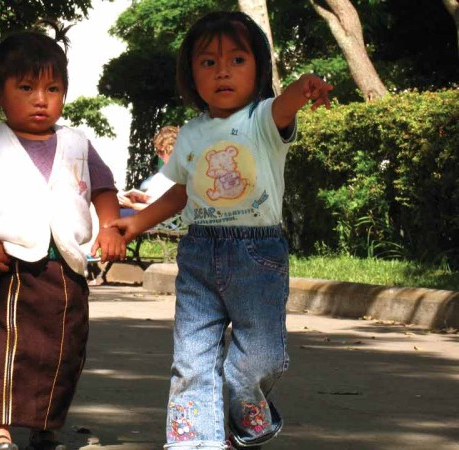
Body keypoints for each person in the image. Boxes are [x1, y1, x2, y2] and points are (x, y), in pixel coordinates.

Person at [108, 11, 332, 450]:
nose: (223, 70)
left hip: (258, 259)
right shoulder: (191, 133)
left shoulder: (263, 119)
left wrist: (304, 86)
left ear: (259, 69)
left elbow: (286, 103)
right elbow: (179, 193)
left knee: (257, 362)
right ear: (191, 75)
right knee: (191, 362)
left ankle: (243, 414)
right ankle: (196, 442)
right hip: (198, 258)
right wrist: (134, 223)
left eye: (237, 60)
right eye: (208, 62)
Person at [0, 24, 125, 450]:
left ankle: (45, 428)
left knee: (60, 353)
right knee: (1, 351)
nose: (41, 99)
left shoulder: (77, 143)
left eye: (53, 88)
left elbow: (103, 190)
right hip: (6, 266)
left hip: (65, 269)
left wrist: (111, 228)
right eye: (26, 87)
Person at [118, 125, 179, 216]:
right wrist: (141, 198)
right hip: (145, 210)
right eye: (157, 151)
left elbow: (162, 209)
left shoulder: (179, 174)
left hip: (155, 218)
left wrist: (131, 205)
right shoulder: (166, 169)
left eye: (161, 152)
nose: (159, 155)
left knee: (110, 216)